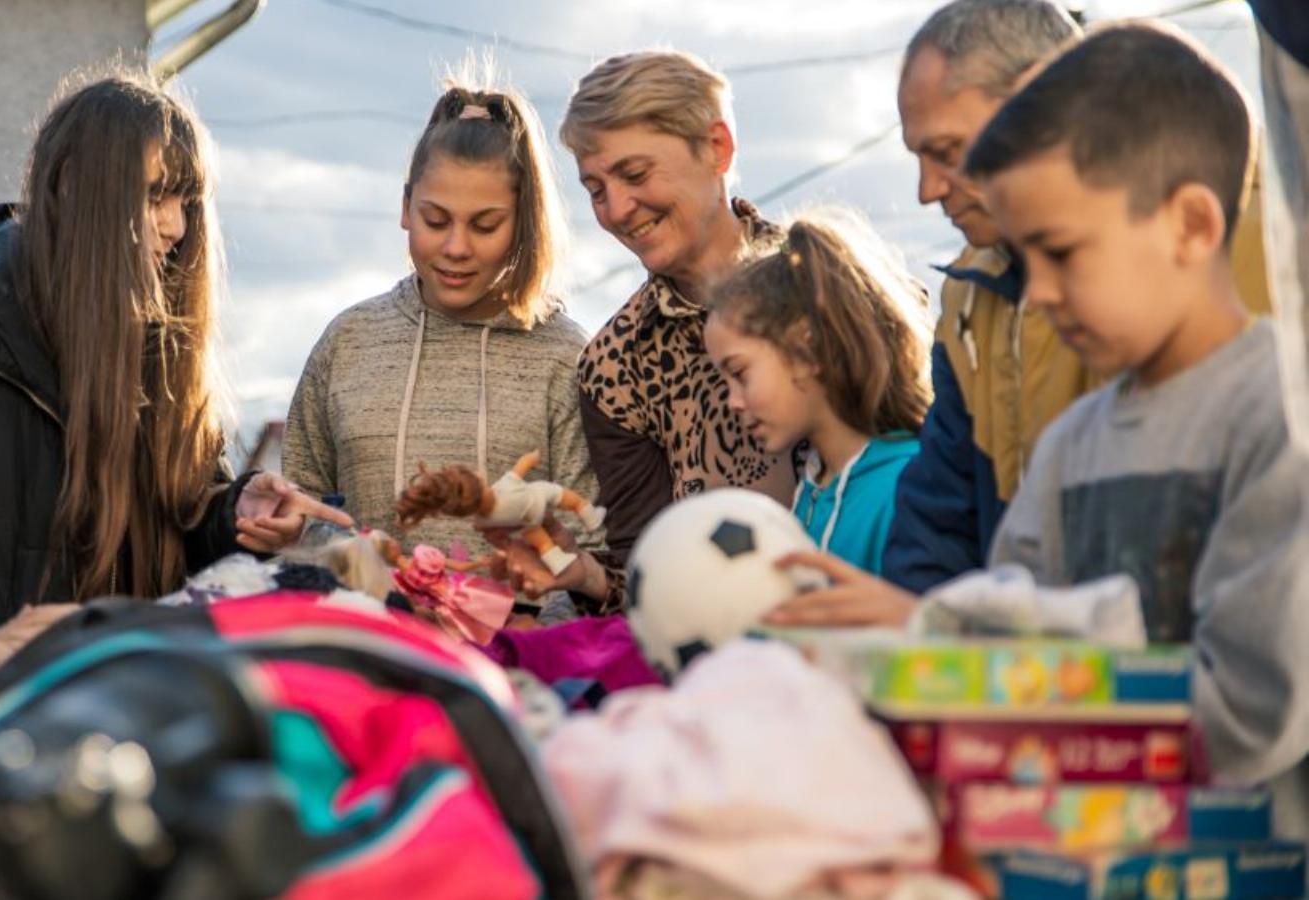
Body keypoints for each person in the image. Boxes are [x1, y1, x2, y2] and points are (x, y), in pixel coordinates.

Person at [779, 22, 1309, 838]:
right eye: (1030, 258)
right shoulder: (1074, 442)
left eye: (1062, 253)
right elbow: (999, 627)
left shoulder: (1281, 416)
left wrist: (991, 653)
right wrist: (923, 651)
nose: (1042, 292)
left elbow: (1250, 715)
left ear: (1193, 226)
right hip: (1069, 849)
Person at [0, 71, 348, 656]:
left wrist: (236, 512)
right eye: (155, 194)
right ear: (74, 185)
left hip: (121, 697)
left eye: (185, 200)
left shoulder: (159, 346)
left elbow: (183, 522)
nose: (176, 226)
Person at [884, 0, 1274, 593]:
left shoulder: (1274, 248)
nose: (926, 190)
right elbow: (943, 527)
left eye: (947, 151)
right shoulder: (972, 300)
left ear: (1037, 95)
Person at [490, 50, 798, 612]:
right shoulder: (615, 364)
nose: (617, 209)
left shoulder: (832, 288)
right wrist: (582, 572)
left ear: (717, 147)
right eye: (595, 188)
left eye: (634, 175)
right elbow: (642, 576)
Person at [282, 71, 598, 581]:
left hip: (514, 653)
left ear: (524, 223)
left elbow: (589, 544)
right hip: (365, 644)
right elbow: (300, 513)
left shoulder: (565, 356)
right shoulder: (348, 341)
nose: (455, 247)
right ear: (406, 207)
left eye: (485, 225)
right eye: (435, 219)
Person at [703, 209, 933, 574]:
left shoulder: (909, 488)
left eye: (740, 374)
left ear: (806, 348)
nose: (732, 402)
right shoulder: (815, 489)